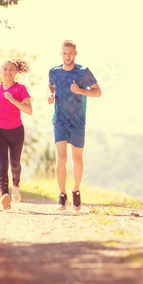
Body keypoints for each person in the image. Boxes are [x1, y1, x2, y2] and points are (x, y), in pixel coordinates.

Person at [48, 40, 101, 211]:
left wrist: (81, 91)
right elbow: (51, 86)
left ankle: (76, 190)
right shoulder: (54, 71)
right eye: (64, 53)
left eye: (70, 53)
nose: (67, 56)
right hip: (60, 121)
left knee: (77, 159)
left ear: (76, 53)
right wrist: (51, 95)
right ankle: (62, 195)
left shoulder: (83, 72)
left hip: (78, 121)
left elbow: (98, 92)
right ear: (61, 53)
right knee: (61, 158)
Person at [0, 59, 32, 210]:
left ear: (16, 72)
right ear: (1, 72)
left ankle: (16, 185)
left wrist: (13, 100)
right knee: (2, 164)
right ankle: (4, 196)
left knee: (15, 164)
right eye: (5, 69)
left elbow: (29, 110)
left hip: (16, 131)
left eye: (11, 69)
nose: (8, 72)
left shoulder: (20, 89)